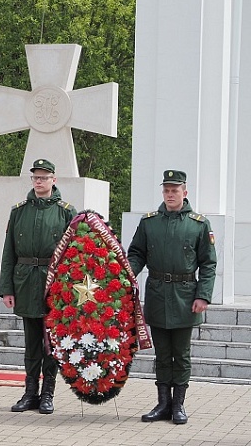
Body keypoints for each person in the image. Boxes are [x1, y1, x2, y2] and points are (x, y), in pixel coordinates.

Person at [128, 170, 217, 425]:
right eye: (166, 190)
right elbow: (136, 254)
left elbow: (208, 264)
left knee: (182, 353)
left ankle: (178, 405)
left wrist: (204, 296)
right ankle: (163, 403)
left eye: (174, 190)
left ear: (184, 192)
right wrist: (126, 275)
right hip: (157, 294)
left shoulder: (199, 224)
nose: (170, 194)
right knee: (162, 354)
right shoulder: (149, 222)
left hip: (186, 297)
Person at [0, 159, 76, 414]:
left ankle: (48, 394)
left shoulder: (66, 211)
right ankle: (30, 392)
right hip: (25, 282)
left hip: (53, 284)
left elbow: (74, 255)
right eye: (36, 177)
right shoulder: (19, 210)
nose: (39, 181)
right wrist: (7, 288)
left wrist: (70, 290)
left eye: (44, 177)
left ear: (54, 180)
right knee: (31, 343)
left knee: (50, 344)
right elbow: (8, 252)